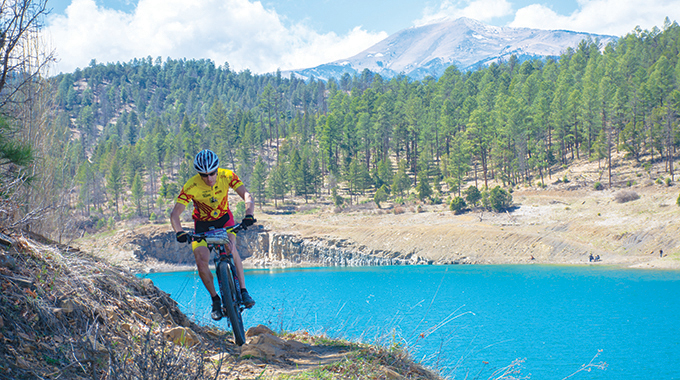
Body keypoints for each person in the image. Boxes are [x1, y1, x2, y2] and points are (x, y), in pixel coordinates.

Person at [170, 149, 256, 321]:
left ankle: (244, 291)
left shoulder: (227, 176)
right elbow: (175, 214)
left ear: (217, 170)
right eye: (204, 175)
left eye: (212, 174)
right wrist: (179, 232)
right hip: (202, 225)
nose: (209, 178)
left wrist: (249, 214)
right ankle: (216, 300)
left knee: (230, 249)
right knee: (201, 261)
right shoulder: (191, 186)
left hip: (224, 220)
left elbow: (246, 195)